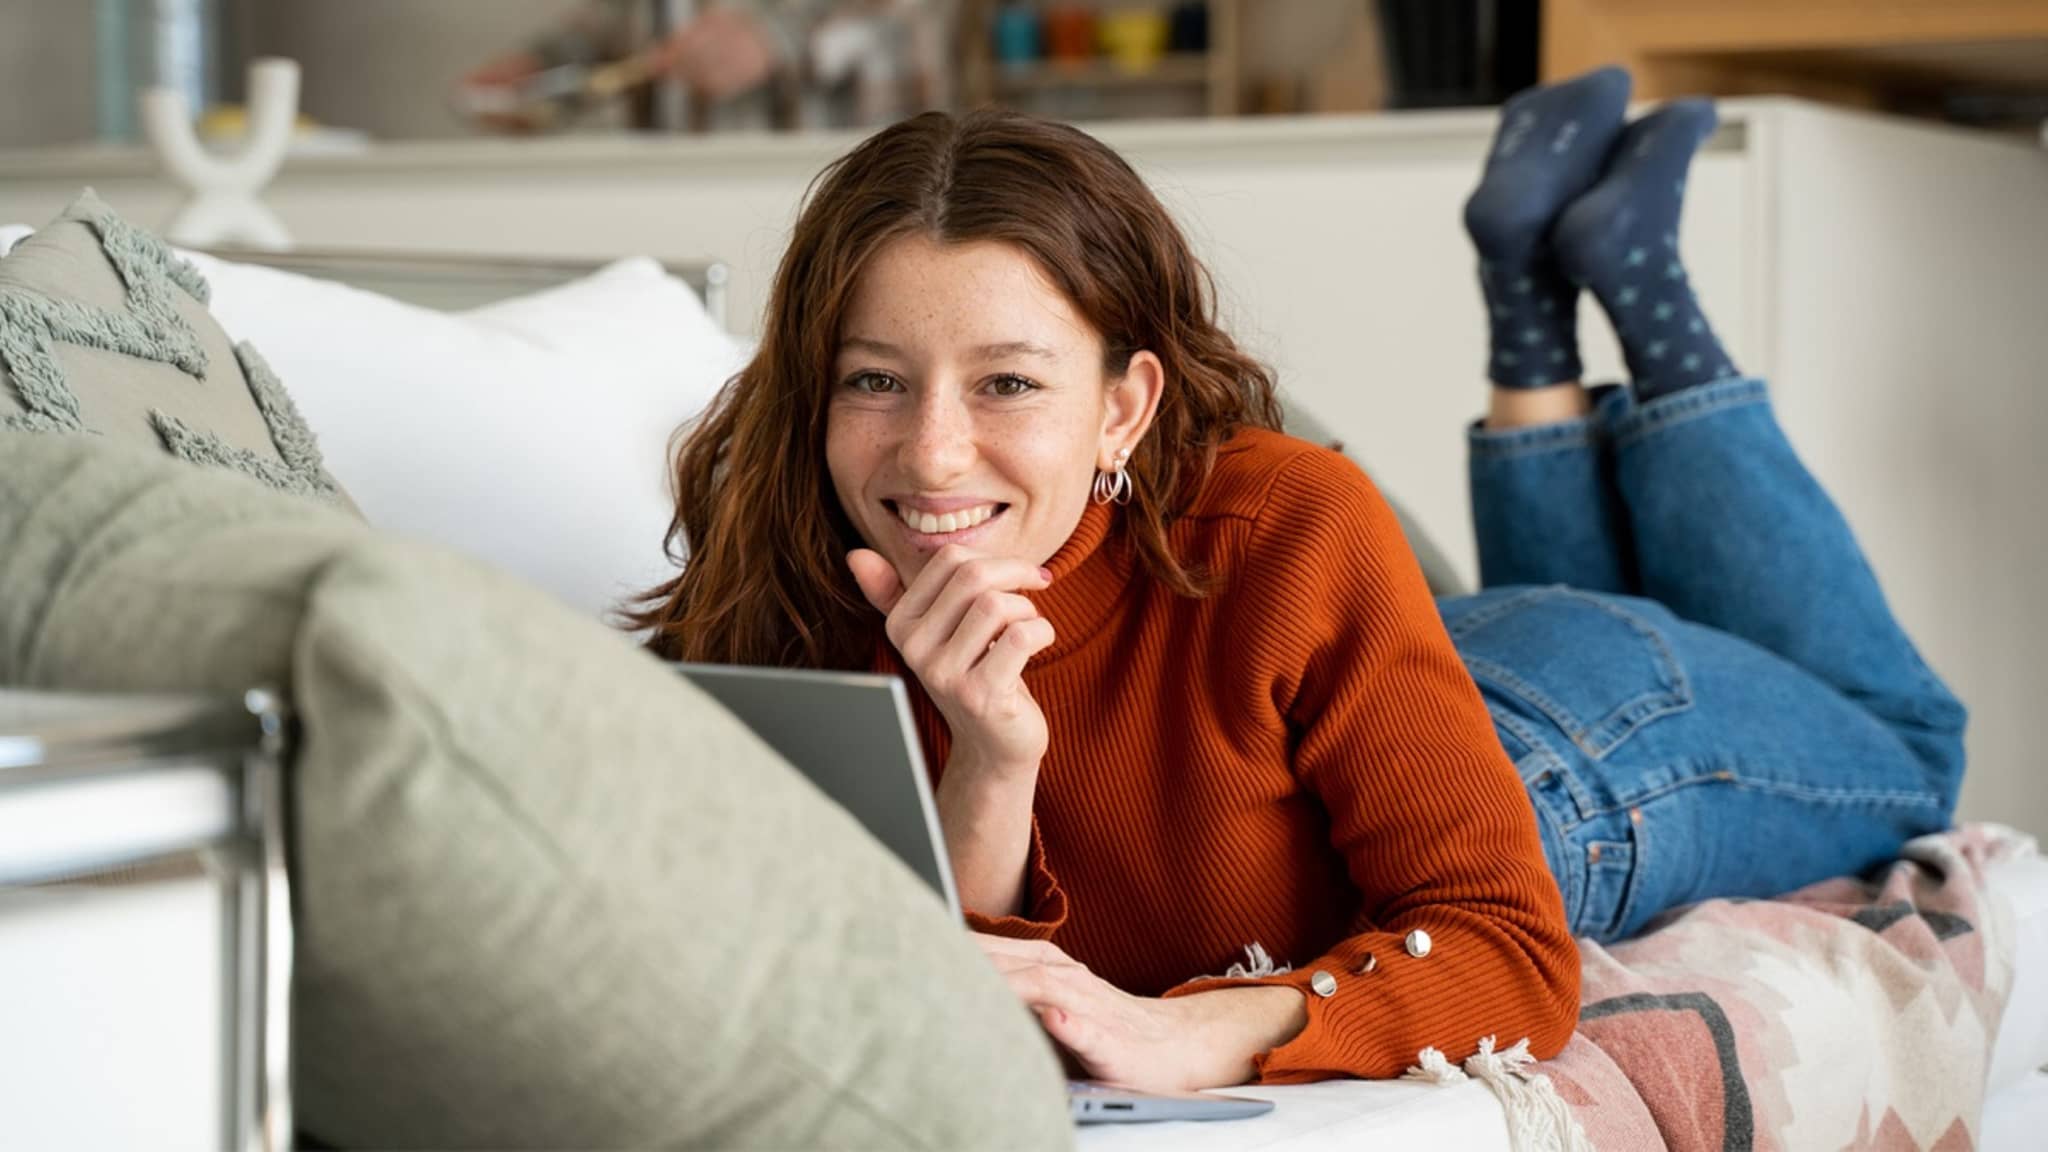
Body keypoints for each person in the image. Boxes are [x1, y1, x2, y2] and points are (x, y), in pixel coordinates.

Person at [633, 68, 1968, 1089]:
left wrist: (1215, 1030)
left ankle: (1643, 292)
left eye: (1009, 383)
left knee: (1912, 752)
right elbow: (918, 984)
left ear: (1122, 406)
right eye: (876, 379)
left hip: (1562, 752)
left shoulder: (1285, 524)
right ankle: (1531, 296)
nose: (930, 450)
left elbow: (1509, 945)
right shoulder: (780, 583)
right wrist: (990, 765)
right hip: (1373, 683)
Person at [460, 0, 954, 133]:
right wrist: (545, 70)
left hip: (841, 175)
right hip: (677, 183)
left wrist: (777, 38)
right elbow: (622, 18)